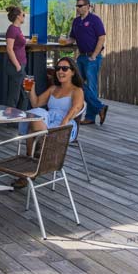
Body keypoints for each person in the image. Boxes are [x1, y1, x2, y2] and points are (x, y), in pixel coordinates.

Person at [13, 56, 85, 188]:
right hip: (47, 122)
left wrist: (62, 124)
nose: (60, 71)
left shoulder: (77, 90)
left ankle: (30, 167)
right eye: (58, 68)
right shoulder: (53, 89)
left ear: (73, 72)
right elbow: (36, 103)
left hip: (65, 124)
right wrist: (31, 89)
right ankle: (35, 161)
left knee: (33, 126)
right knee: (34, 117)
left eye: (65, 68)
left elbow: (76, 108)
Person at [67, 0, 108, 125]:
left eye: (80, 6)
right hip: (81, 57)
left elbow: (101, 37)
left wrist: (94, 55)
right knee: (76, 82)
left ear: (88, 6)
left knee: (91, 86)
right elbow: (72, 38)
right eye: (77, 6)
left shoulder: (95, 20)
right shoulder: (76, 21)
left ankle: (90, 117)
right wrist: (62, 42)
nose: (78, 8)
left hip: (92, 58)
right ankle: (99, 107)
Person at [5, 5, 28, 110]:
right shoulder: (12, 29)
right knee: (14, 95)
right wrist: (17, 66)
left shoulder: (18, 29)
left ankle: (21, 117)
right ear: (18, 16)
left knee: (24, 93)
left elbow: (19, 43)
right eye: (23, 14)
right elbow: (9, 49)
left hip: (21, 65)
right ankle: (10, 120)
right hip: (16, 66)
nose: (24, 16)